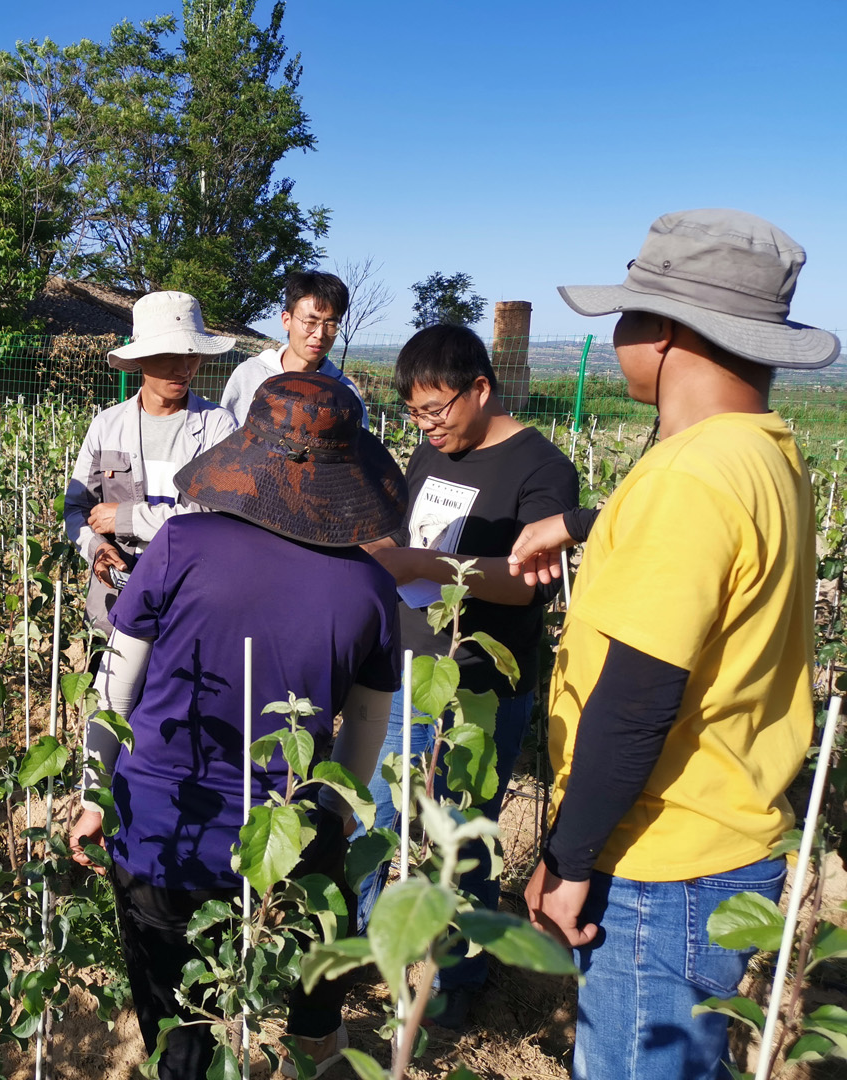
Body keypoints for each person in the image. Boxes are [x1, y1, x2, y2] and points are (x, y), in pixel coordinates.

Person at [516, 209, 838, 1079]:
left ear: (663, 331)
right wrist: (580, 522)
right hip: (725, 843)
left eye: (626, 315)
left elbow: (636, 699)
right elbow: (714, 549)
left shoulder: (690, 477)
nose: (619, 336)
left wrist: (567, 859)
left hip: (660, 863)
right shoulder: (761, 452)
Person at [67, 373, 406, 1080]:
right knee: (312, 984)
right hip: (289, 835)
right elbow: (367, 723)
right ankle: (314, 1049)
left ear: (248, 458)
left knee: (179, 1028)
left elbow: (115, 688)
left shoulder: (179, 544)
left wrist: (95, 791)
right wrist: (337, 815)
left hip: (163, 825)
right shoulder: (369, 586)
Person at [354, 323, 579, 1025]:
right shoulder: (432, 450)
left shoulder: (541, 470)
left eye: (435, 409)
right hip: (409, 667)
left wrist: (420, 565)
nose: (425, 426)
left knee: (464, 831)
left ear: (480, 388)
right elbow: (406, 529)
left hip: (481, 683)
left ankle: (456, 977)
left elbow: (525, 581)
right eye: (414, 414)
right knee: (377, 811)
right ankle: (364, 945)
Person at [64, 291, 237, 642]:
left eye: (191, 355)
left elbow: (214, 518)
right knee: (110, 676)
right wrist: (97, 549)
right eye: (169, 355)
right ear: (142, 357)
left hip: (190, 596)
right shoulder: (107, 426)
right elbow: (77, 509)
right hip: (116, 596)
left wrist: (126, 519)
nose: (183, 369)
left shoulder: (219, 427)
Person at [218, 270, 363, 424]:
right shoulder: (250, 375)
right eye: (310, 322)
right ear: (287, 320)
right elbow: (228, 433)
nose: (320, 334)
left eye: (331, 324)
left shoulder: (345, 393)